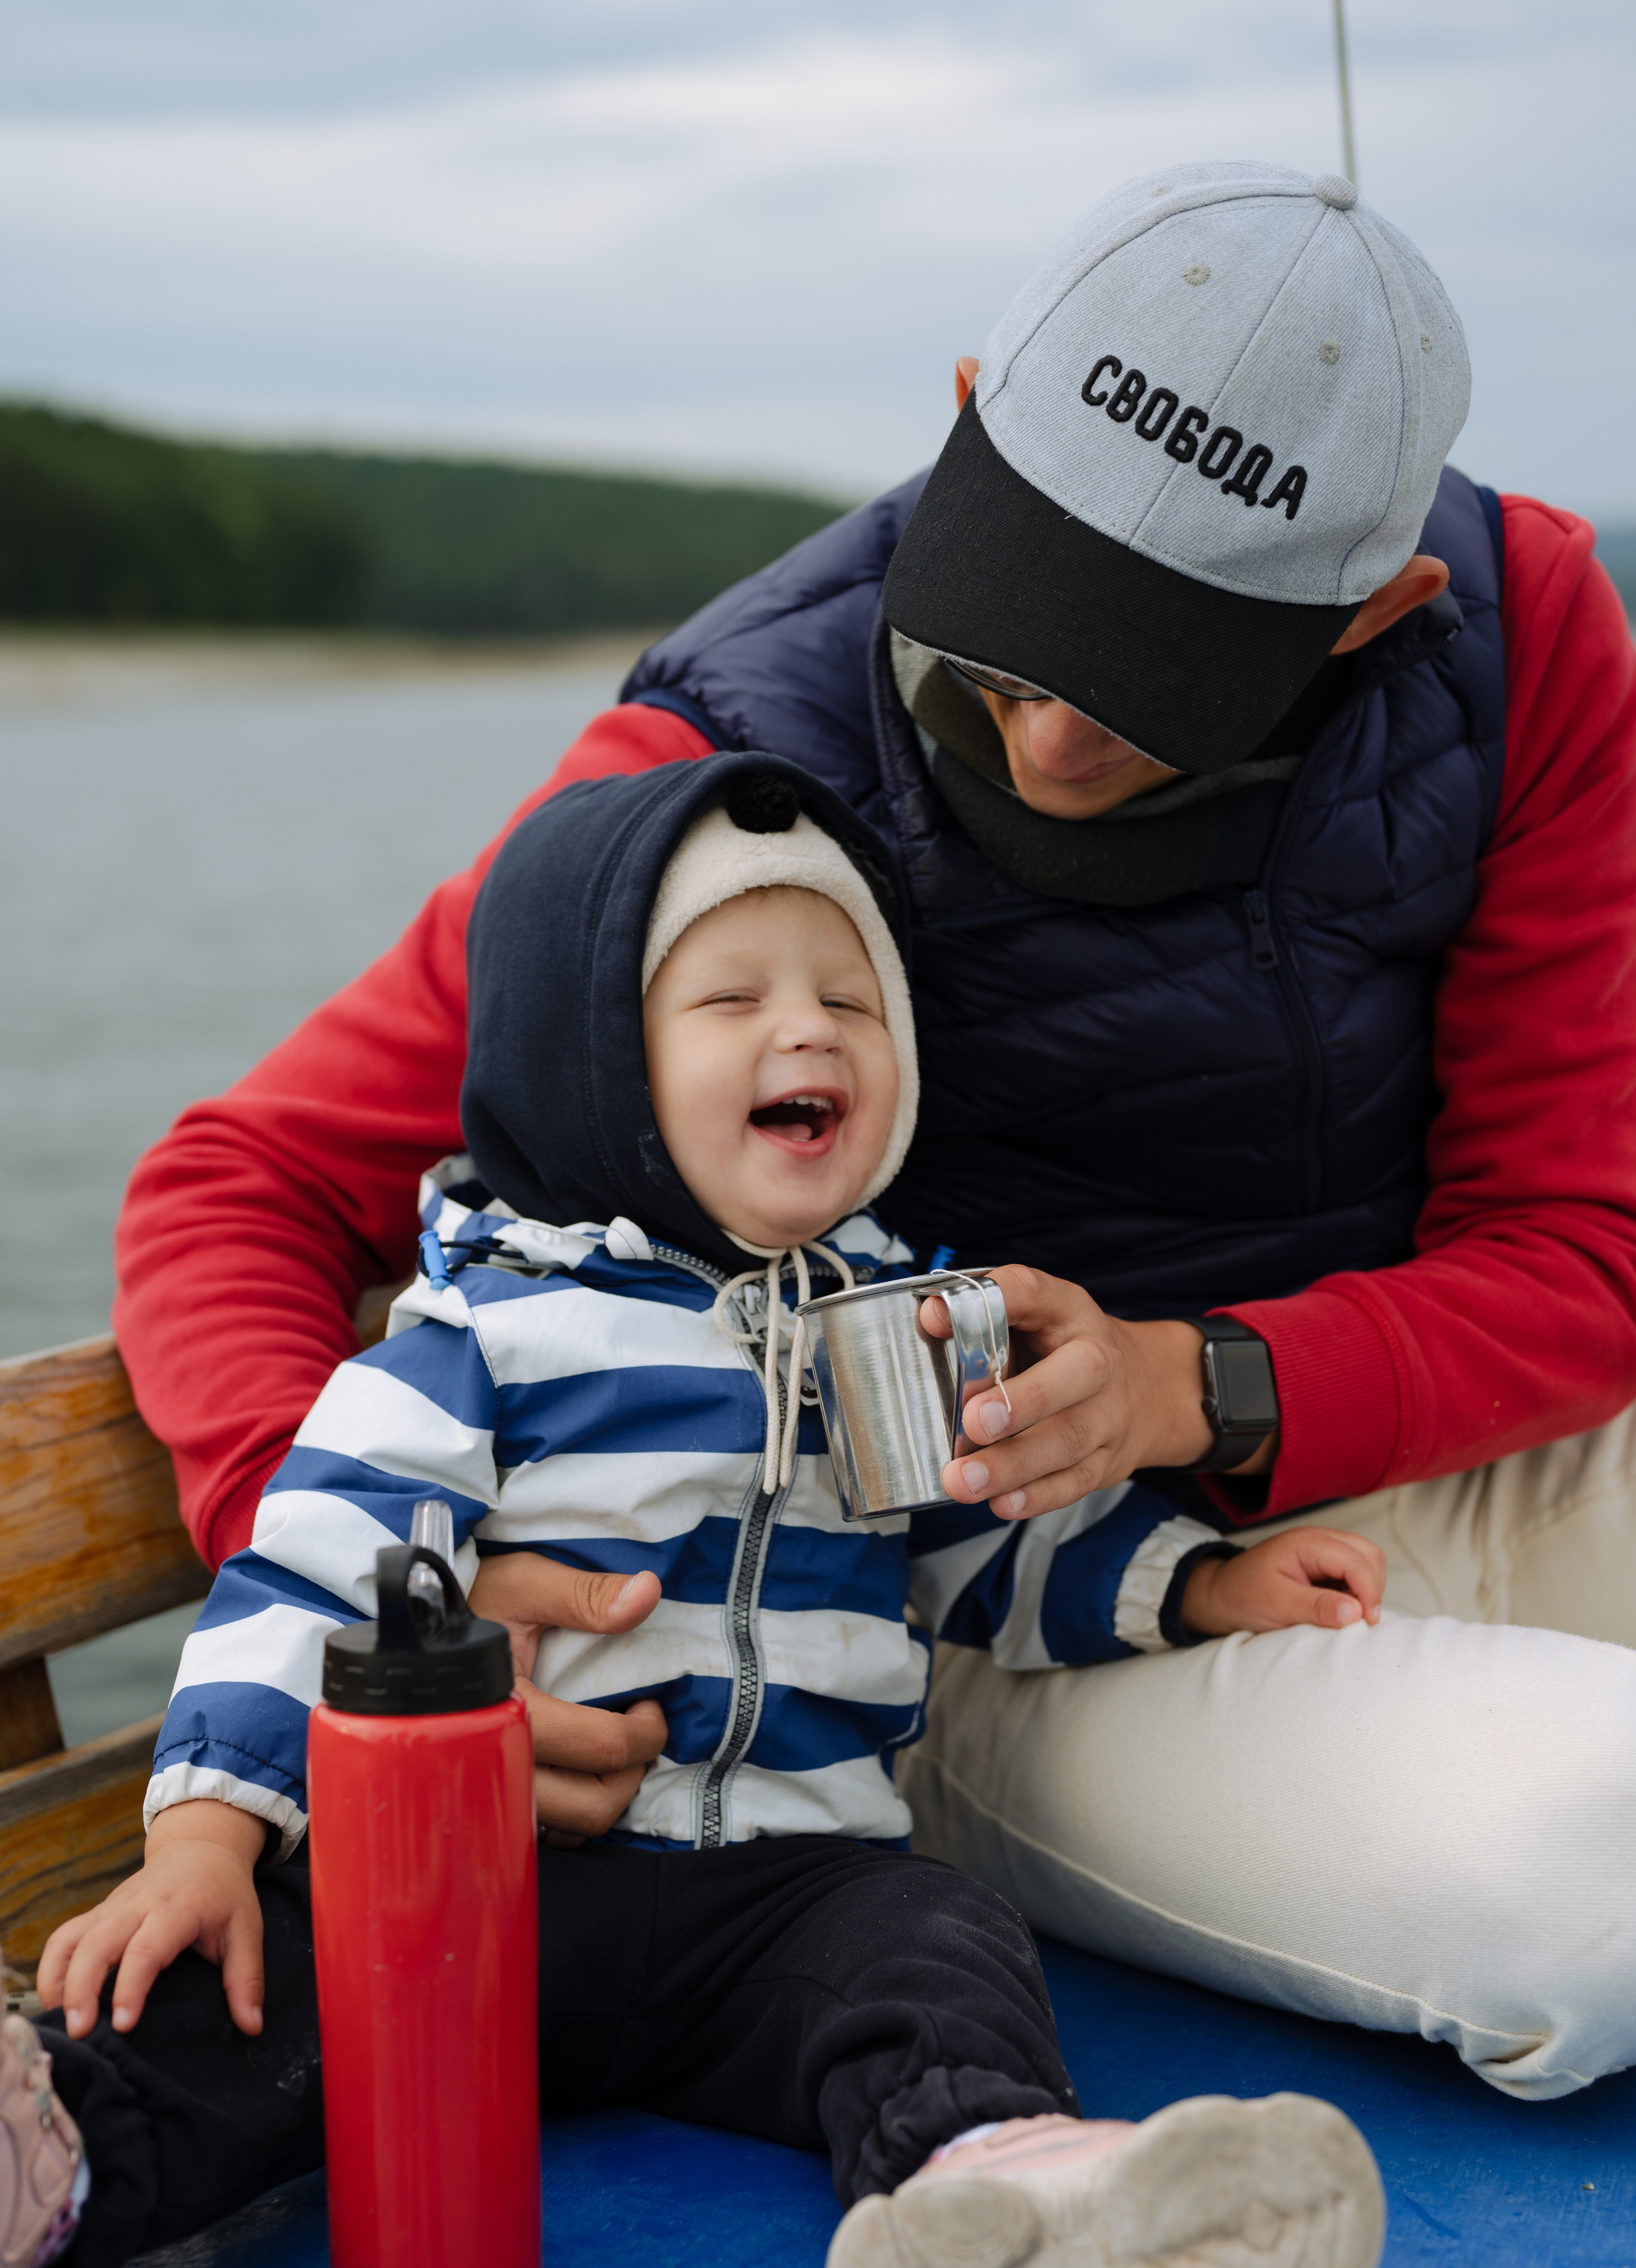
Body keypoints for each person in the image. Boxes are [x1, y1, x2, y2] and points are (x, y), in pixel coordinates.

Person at [109, 164, 1636, 2081]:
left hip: (1400, 1466)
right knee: (1592, 1883)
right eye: (1028, 619)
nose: (1055, 738)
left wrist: (1194, 1385)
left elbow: (1582, 1248)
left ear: (1375, 618)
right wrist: (397, 1623)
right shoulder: (717, 788)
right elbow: (238, 1183)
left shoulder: (1520, 642)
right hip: (970, 1607)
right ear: (976, 415)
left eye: (1165, 681)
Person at [7, 765, 1394, 2268]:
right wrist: (206, 1838)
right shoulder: (491, 1334)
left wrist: (1198, 1581)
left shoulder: (897, 1324)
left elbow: (993, 1541)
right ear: (599, 1062)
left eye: (852, 1000)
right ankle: (52, 2156)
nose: (807, 1029)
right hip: (487, 1887)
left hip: (780, 1904)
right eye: (732, 998)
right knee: (256, 1992)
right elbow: (315, 1570)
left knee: (938, 1940)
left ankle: (995, 2195)